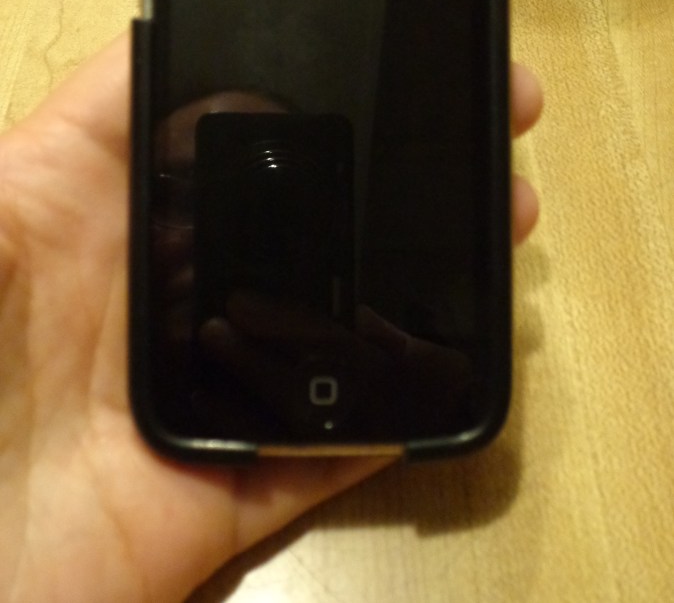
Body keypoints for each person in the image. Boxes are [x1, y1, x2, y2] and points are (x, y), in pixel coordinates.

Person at [0, 34, 542, 602]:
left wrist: (436, 394)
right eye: (178, 195)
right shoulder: (89, 399)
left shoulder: (389, 366)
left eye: (267, 206)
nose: (218, 234)